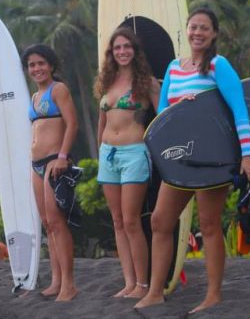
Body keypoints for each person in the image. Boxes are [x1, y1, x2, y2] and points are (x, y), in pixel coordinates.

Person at [135, 8, 250, 313]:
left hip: (212, 157)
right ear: (186, 31)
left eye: (204, 28)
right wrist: (179, 107)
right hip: (181, 159)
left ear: (214, 33)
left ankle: (213, 294)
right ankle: (156, 291)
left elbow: (240, 109)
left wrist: (248, 154)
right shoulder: (174, 68)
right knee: (161, 220)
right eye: (193, 27)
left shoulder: (218, 65)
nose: (197, 33)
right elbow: (162, 116)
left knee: (210, 224)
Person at [94, 27, 160, 299]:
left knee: (132, 220)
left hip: (135, 152)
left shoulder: (148, 83)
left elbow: (165, 115)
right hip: (108, 154)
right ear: (111, 53)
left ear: (135, 50)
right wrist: (100, 152)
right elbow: (102, 122)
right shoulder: (105, 82)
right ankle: (129, 282)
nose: (122, 52)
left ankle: (143, 284)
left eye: (126, 47)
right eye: (117, 48)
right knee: (117, 221)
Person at [21, 44, 79, 302]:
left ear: (51, 65)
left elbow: (72, 123)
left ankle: (69, 284)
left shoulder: (59, 89)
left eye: (41, 63)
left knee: (57, 222)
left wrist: (63, 157)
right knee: (47, 224)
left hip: (55, 161)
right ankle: (56, 280)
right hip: (36, 163)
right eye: (32, 65)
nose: (36, 69)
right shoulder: (34, 97)